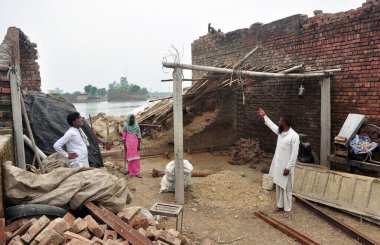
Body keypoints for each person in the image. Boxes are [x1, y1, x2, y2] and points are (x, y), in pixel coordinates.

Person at [258, 108, 299, 216]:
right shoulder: (281, 132)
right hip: (278, 165)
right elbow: (272, 126)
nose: (279, 122)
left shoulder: (294, 136)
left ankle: (288, 209)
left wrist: (288, 168)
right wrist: (264, 116)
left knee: (287, 188)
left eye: (280, 121)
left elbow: (294, 155)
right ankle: (280, 206)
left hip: (286, 167)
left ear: (285, 123)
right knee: (279, 187)